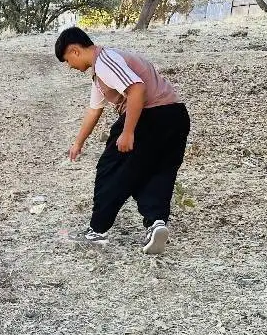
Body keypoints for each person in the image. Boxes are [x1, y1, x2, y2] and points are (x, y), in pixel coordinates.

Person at [55, 26, 190, 256]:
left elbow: (137, 89)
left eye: (68, 61)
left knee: (111, 168)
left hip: (150, 116)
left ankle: (97, 230)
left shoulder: (105, 61)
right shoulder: (102, 73)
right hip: (176, 115)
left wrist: (128, 132)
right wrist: (78, 143)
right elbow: (94, 110)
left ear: (75, 51)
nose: (70, 67)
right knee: (158, 171)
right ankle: (157, 223)